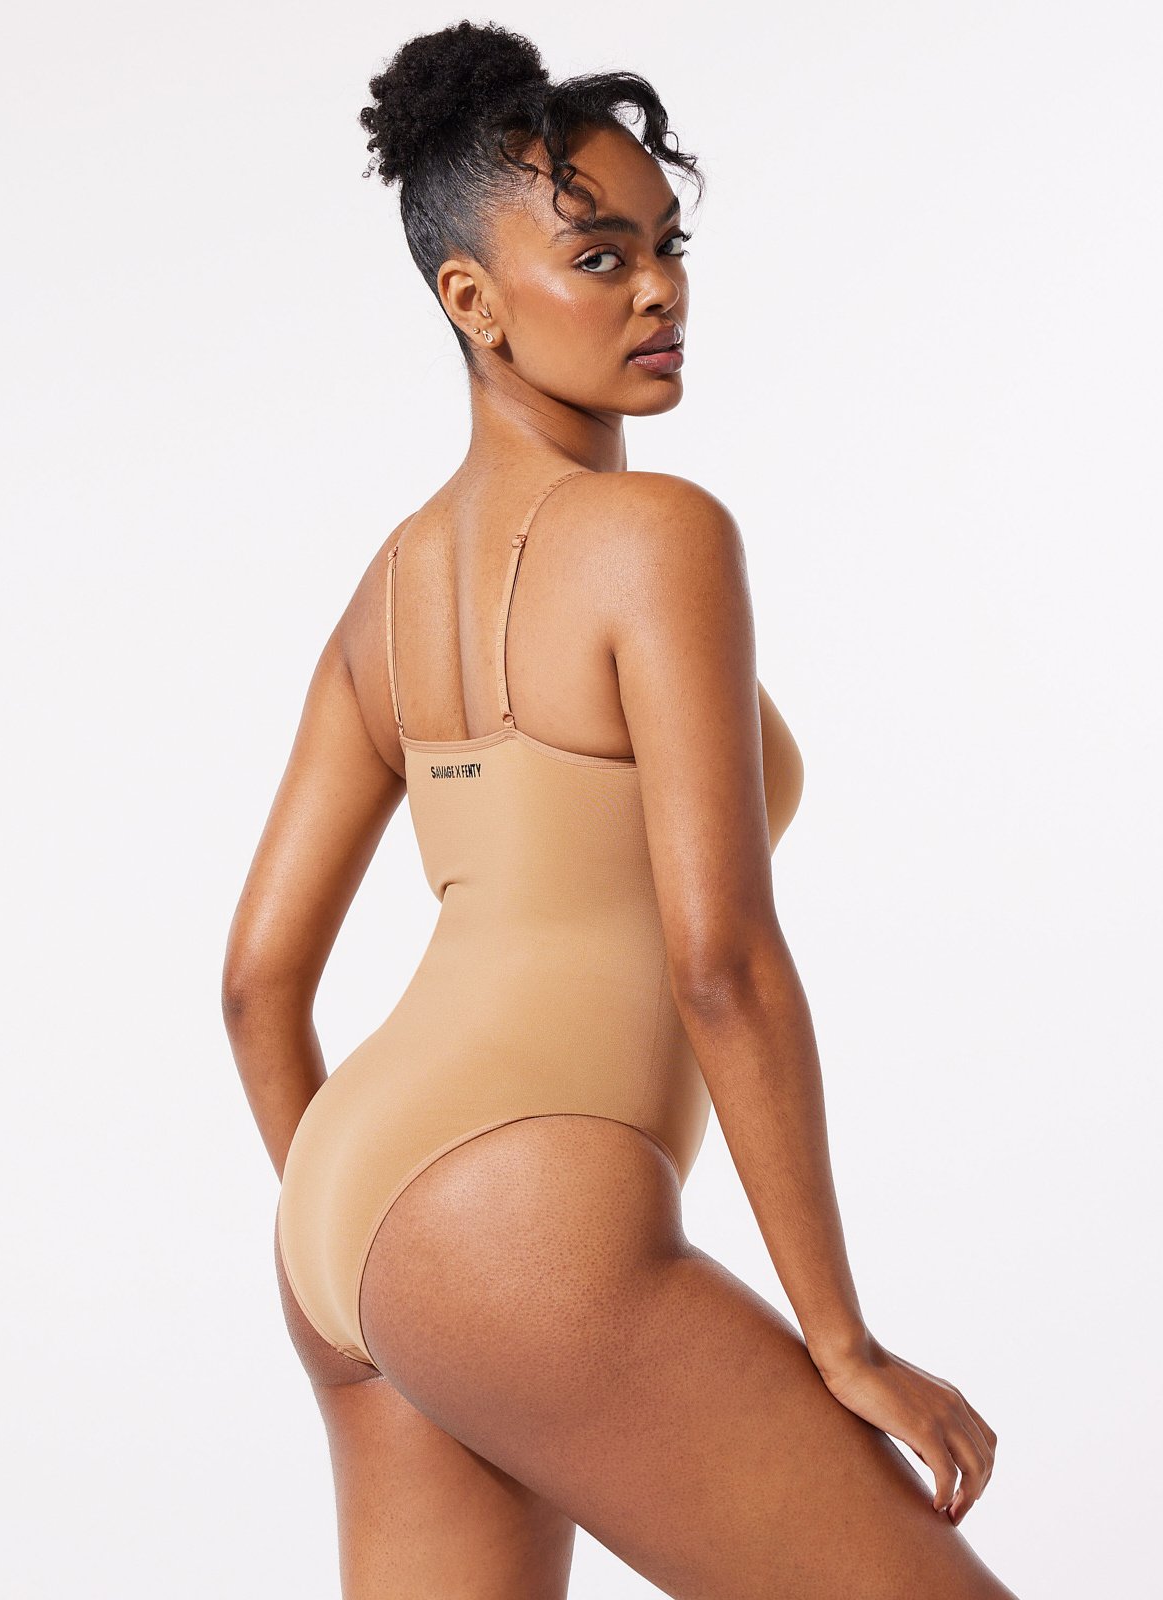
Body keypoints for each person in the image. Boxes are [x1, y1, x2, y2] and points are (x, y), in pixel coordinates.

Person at [222, 20, 1020, 1600]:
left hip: (347, 1229)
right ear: (472, 302)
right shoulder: (657, 536)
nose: (659, 291)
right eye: (600, 257)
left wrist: (375, 1244)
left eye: (668, 246)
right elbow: (722, 961)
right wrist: (841, 1342)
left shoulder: (383, 600)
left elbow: (256, 985)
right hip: (519, 1220)